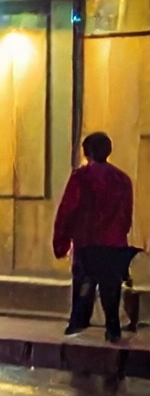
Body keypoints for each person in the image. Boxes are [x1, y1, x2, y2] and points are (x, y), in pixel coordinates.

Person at [55, 131, 137, 343]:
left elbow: (68, 210)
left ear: (87, 152)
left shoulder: (81, 178)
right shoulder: (122, 179)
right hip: (114, 243)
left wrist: (61, 241)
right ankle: (113, 328)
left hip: (87, 241)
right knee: (111, 287)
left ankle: (78, 323)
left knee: (84, 283)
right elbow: (126, 214)